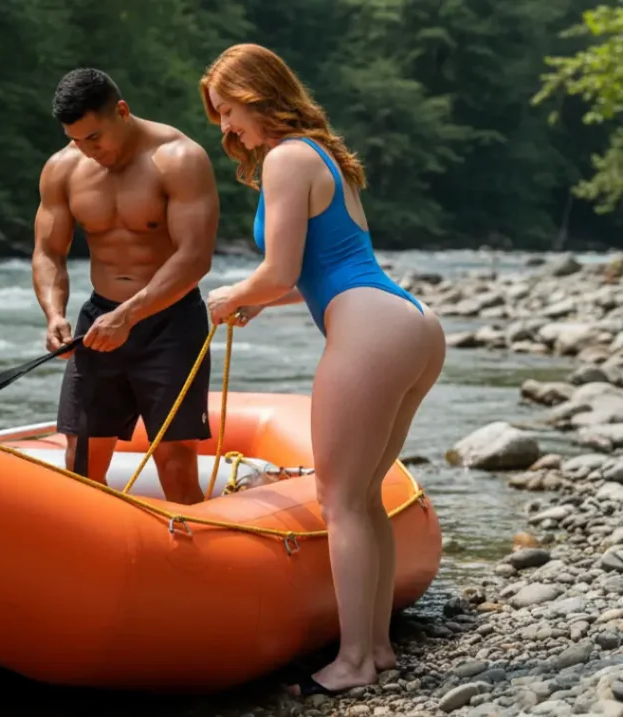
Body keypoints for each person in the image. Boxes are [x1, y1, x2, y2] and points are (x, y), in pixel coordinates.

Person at [198, 44, 447, 696]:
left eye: (228, 111)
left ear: (257, 95)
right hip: (409, 324)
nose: (226, 128)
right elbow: (320, 269)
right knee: (362, 497)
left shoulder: (286, 157)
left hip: (371, 331)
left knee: (338, 501)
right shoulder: (323, 154)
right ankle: (378, 649)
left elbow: (279, 269)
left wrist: (231, 295)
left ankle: (354, 661)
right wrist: (261, 300)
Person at [31, 67, 220, 505]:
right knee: (81, 461)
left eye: (94, 137)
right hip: (100, 320)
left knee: (175, 463)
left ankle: (189, 547)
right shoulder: (63, 168)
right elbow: (48, 252)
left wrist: (129, 315)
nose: (88, 150)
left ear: (121, 110)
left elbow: (195, 258)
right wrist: (55, 314)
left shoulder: (179, 159)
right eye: (76, 140)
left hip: (171, 322)